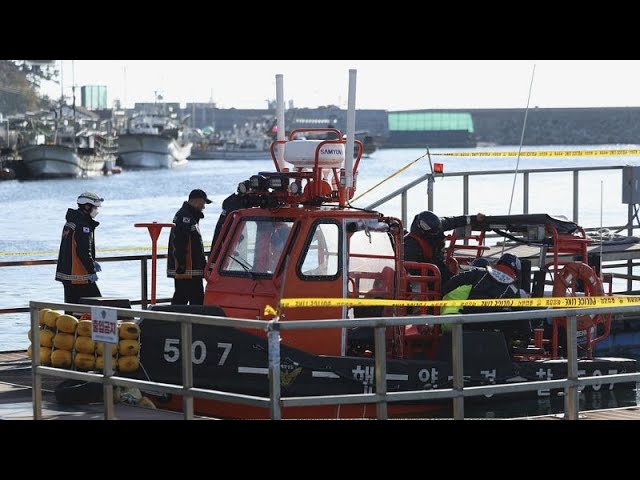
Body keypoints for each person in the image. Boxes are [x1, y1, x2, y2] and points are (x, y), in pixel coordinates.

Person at [441, 253, 531, 349]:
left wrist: (442, 292)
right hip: (492, 330)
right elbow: (521, 315)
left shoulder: (479, 273)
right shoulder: (513, 289)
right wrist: (526, 337)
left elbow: (454, 281)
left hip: (467, 323)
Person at [404, 211, 485, 284]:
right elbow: (412, 268)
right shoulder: (411, 244)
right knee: (444, 283)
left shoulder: (437, 225)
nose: (435, 234)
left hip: (438, 264)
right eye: (433, 233)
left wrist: (474, 218)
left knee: (451, 280)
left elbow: (454, 221)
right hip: (427, 270)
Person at [55, 192, 104, 305]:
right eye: (94, 207)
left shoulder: (72, 222)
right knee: (99, 306)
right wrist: (91, 269)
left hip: (67, 274)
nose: (96, 210)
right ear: (87, 206)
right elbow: (83, 251)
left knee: (72, 310)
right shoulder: (83, 225)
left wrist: (92, 262)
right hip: (79, 275)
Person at [167, 189, 211, 305]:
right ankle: (193, 322)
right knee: (195, 300)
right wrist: (181, 264)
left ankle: (174, 321)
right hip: (188, 270)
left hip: (190, 270)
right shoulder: (185, 217)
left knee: (181, 298)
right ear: (197, 201)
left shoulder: (187, 216)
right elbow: (179, 241)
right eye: (203, 203)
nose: (203, 207)